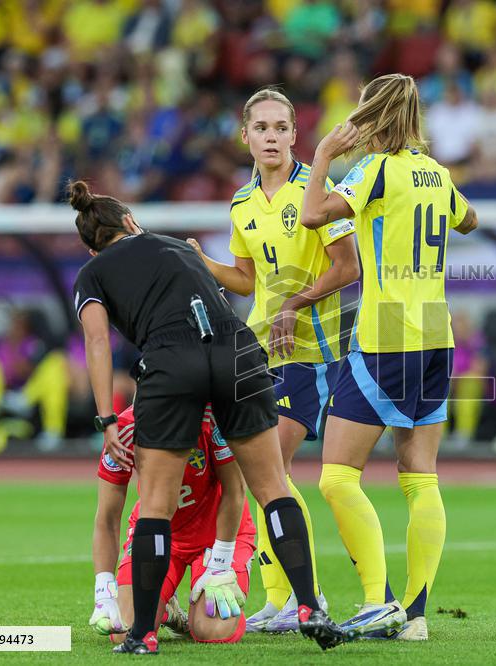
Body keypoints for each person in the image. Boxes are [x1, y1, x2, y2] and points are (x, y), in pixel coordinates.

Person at [69, 180, 350, 654]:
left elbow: (97, 341)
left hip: (171, 360)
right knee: (274, 488)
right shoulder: (178, 247)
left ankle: (143, 634)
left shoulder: (92, 274)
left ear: (91, 248)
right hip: (237, 351)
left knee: (156, 504)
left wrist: (107, 418)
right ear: (131, 222)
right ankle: (309, 607)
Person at [301, 73, 479, 641]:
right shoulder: (436, 173)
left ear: (369, 117)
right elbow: (470, 219)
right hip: (436, 334)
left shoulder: (375, 169)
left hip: (386, 336)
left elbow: (312, 214)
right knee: (420, 476)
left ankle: (377, 602)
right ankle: (416, 615)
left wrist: (324, 154)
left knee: (336, 476)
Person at [188, 87, 360, 633]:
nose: (271, 137)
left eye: (280, 127)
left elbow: (348, 267)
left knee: (269, 471)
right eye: (261, 128)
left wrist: (294, 304)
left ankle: (307, 598)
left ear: (294, 134)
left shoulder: (317, 190)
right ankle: (281, 597)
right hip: (260, 349)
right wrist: (203, 262)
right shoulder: (241, 204)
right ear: (245, 136)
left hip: (311, 350)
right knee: (263, 473)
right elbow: (246, 279)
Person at [90, 404, 255, 644]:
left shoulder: (213, 418)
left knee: (211, 630)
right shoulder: (124, 429)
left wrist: (221, 562)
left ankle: (207, 601)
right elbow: (107, 517)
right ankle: (167, 608)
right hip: (156, 533)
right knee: (125, 631)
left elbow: (235, 490)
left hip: (219, 535)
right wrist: (103, 588)